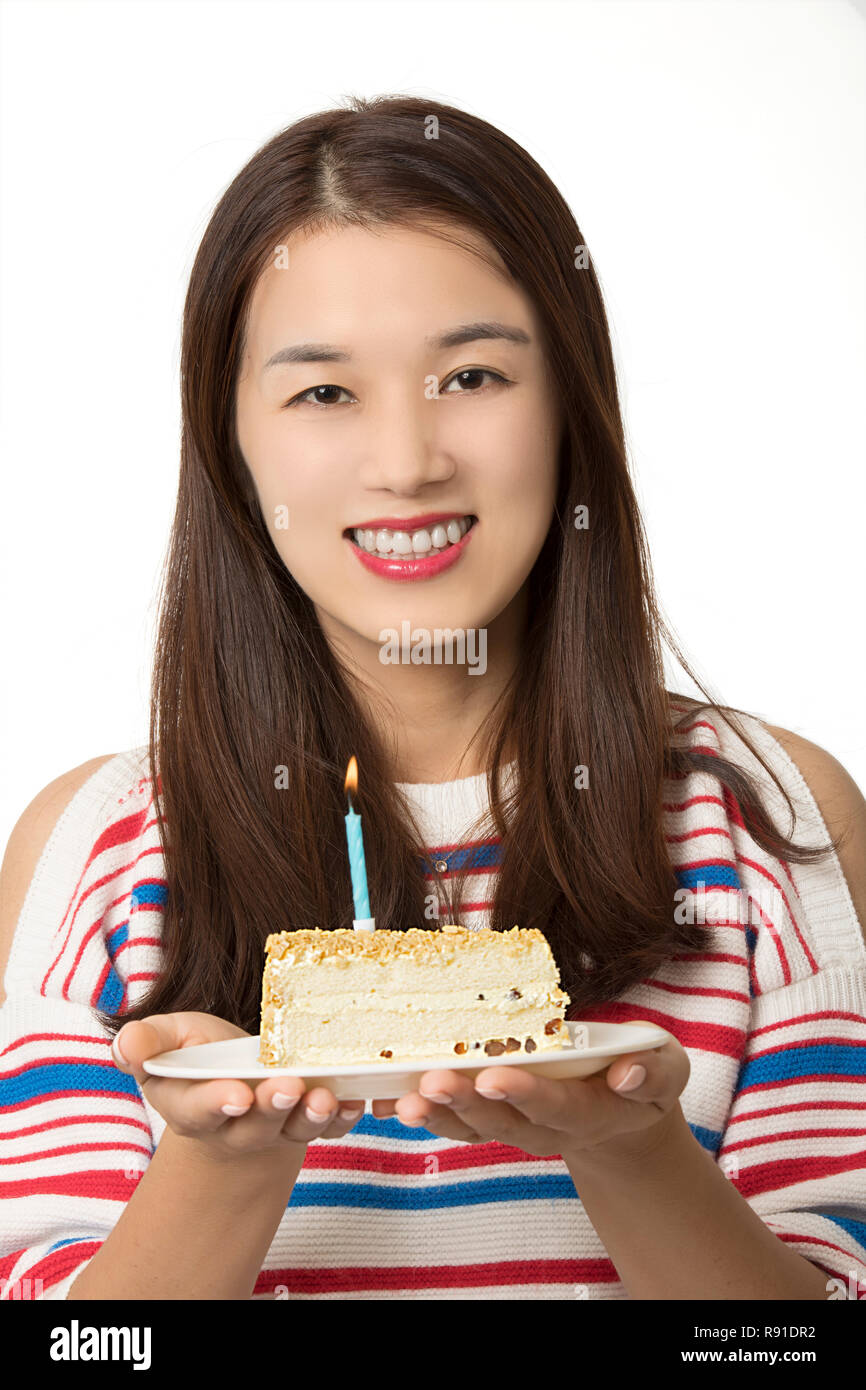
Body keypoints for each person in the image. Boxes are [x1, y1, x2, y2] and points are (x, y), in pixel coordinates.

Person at [2, 94, 865, 1302]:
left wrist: (628, 1151)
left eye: (471, 374)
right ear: (231, 442)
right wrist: (219, 1167)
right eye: (322, 393)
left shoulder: (768, 816)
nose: (407, 461)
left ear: (570, 405)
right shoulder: (95, 851)